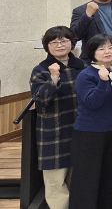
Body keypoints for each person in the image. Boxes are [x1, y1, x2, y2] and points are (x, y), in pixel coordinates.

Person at [29, 26, 85, 209]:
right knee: (55, 183)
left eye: (64, 41)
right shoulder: (41, 70)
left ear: (72, 43)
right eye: (54, 42)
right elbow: (40, 99)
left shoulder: (82, 66)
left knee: (77, 179)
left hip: (79, 129)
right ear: (47, 46)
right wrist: (53, 79)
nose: (59, 45)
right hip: (53, 131)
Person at [68, 34, 112, 209]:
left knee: (108, 179)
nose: (107, 51)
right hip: (90, 134)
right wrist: (103, 82)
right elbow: (92, 102)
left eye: (111, 47)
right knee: (86, 181)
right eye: (101, 48)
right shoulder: (86, 75)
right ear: (92, 52)